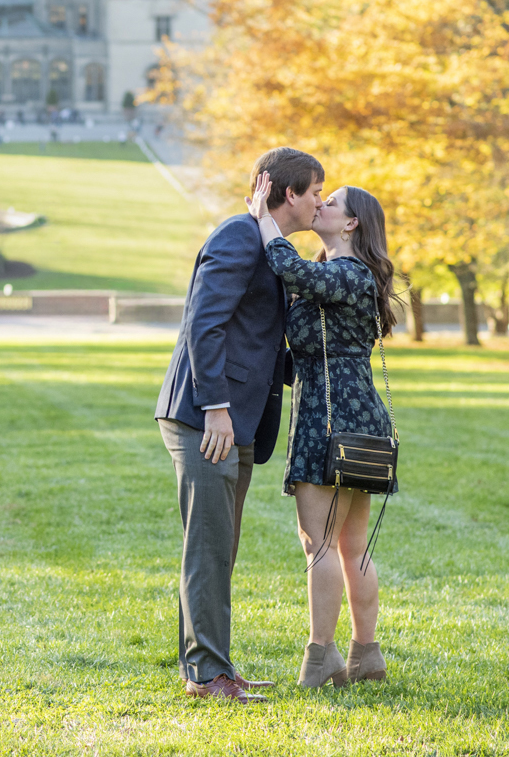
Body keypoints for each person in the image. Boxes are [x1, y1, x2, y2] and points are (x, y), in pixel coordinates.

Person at [155, 147, 325, 703]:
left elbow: (260, 337)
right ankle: (208, 676)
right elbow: (203, 326)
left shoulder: (268, 247)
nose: (320, 200)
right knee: (208, 547)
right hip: (207, 417)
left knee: (218, 547)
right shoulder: (237, 236)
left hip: (239, 421)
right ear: (285, 190)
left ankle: (208, 668)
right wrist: (217, 409)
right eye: (315, 190)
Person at [247, 171, 400, 687]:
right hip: (353, 413)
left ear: (351, 222)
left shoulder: (349, 273)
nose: (320, 205)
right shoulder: (343, 273)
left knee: (321, 542)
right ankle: (366, 656)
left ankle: (321, 656)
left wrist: (266, 220)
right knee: (350, 544)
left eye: (330, 202)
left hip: (331, 417)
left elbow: (294, 272)